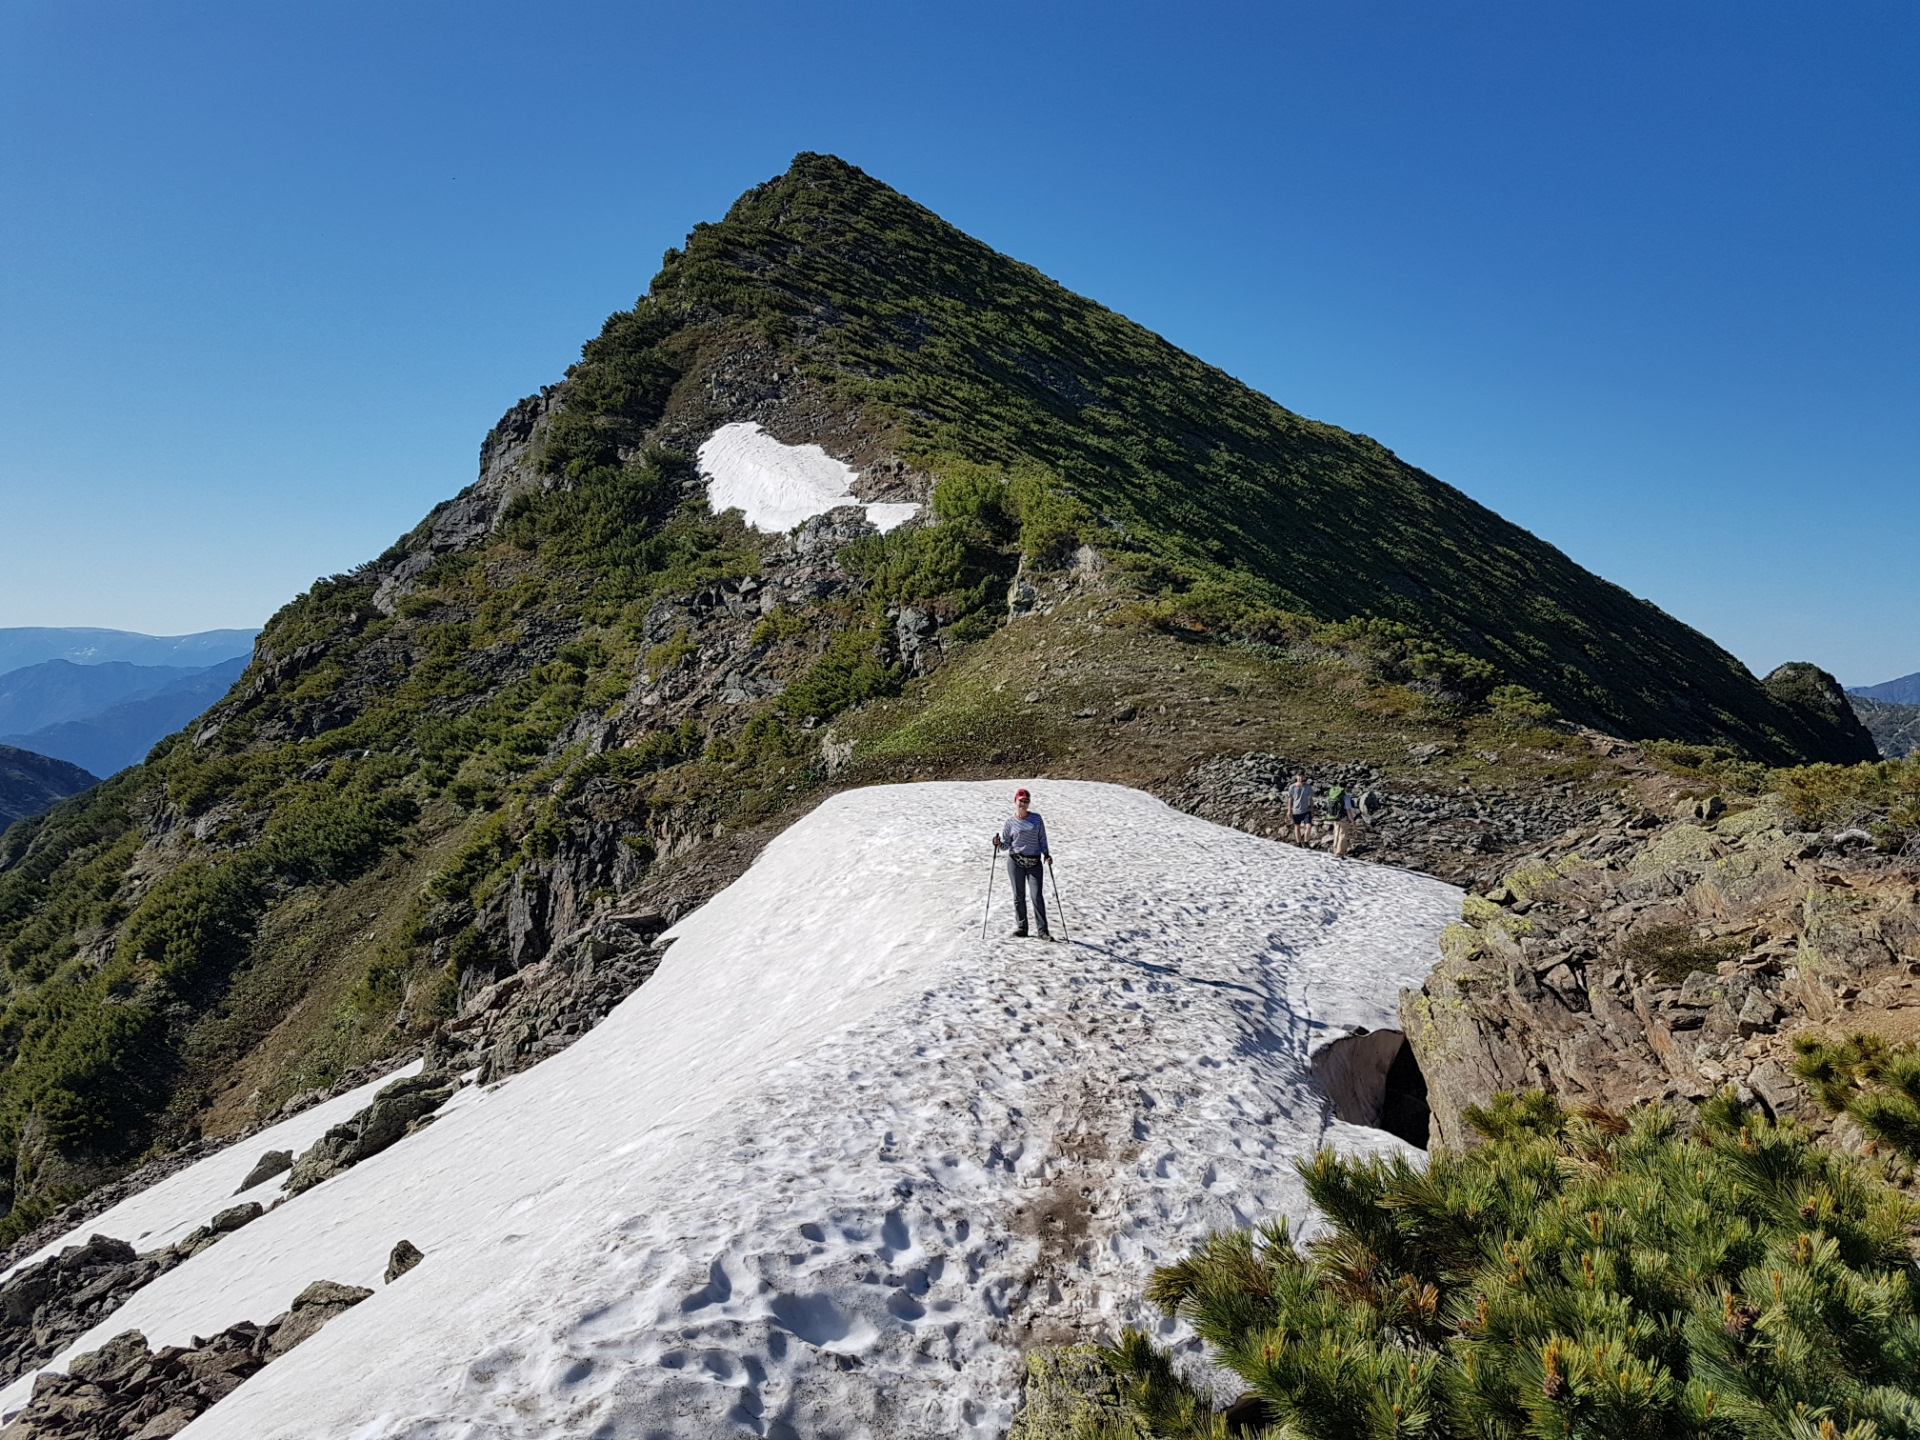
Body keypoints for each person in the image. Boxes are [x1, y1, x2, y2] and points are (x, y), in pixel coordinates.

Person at [992, 787, 1052, 939]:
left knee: (1036, 895)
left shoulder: (1036, 819)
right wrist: (998, 843)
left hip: (1034, 861)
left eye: (1026, 801)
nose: (1023, 804)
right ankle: (1022, 927)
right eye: (1021, 801)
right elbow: (1006, 845)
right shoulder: (1009, 823)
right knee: (1018, 896)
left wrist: (1046, 854)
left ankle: (1043, 931)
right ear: (1015, 801)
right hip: (1015, 861)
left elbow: (1042, 838)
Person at [1328, 783, 1358, 857]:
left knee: (1336, 834)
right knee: (1343, 835)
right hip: (1344, 818)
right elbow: (1348, 810)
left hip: (1335, 817)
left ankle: (1335, 850)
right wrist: (1352, 821)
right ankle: (1339, 853)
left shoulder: (1334, 795)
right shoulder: (1346, 797)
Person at [1286, 772, 1315, 845]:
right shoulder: (1292, 787)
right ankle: (1298, 842)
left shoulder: (1308, 787)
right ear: (1296, 777)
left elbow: (1311, 798)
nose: (1300, 778)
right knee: (1297, 827)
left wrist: (1312, 809)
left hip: (1306, 810)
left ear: (1304, 777)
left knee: (1308, 826)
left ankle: (1306, 842)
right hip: (1296, 810)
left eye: (1301, 776)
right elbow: (1290, 799)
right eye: (1299, 776)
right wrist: (1289, 810)